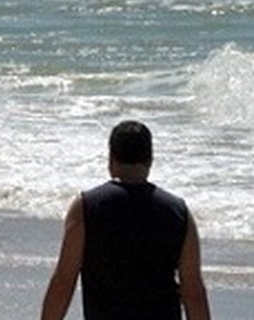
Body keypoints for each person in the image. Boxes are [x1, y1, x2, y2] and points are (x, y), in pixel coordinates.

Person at [40, 120, 211, 320]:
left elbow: (64, 281)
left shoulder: (86, 207)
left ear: (111, 159)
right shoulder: (178, 212)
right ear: (150, 160)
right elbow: (193, 292)